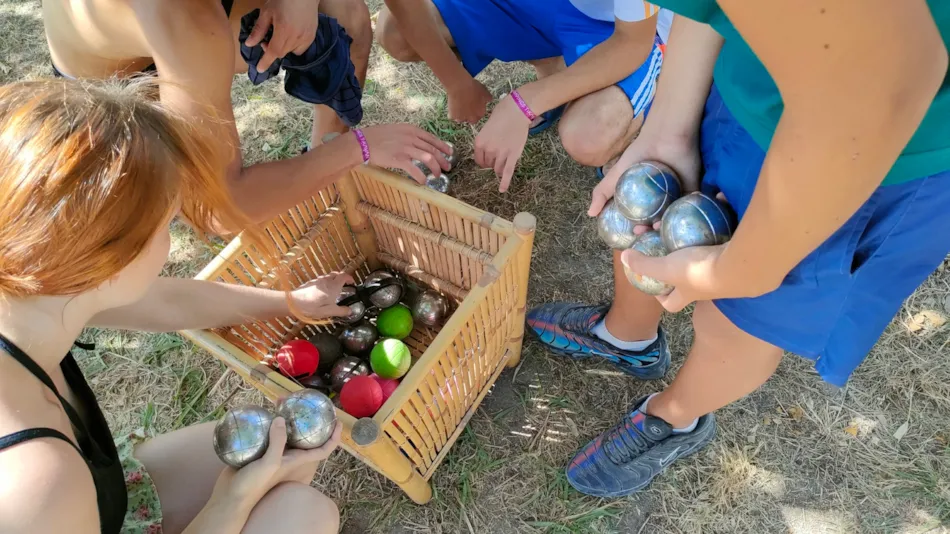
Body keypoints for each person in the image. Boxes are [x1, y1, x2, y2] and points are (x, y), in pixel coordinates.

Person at [527, 1, 950, 497]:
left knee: (735, 321)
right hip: (755, 83)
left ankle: (676, 418)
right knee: (652, 226)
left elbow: (886, 81)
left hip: (875, 157)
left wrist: (745, 270)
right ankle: (629, 338)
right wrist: (669, 126)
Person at [0, 79, 351, 533]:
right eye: (167, 224)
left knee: (270, 453)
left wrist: (293, 302)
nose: (173, 241)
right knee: (303, 514)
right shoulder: (34, 485)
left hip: (101, 500)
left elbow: (166, 300)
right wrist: (231, 502)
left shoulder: (34, 287)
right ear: (107, 262)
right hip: (69, 509)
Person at [42, 0, 452, 224]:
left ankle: (325, 185)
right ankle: (328, 167)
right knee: (168, 201)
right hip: (109, 85)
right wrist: (359, 148)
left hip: (194, 29)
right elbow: (220, 208)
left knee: (346, 13)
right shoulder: (188, 19)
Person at [377, 0, 674, 191]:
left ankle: (654, 85)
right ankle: (553, 65)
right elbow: (404, 7)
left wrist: (523, 102)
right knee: (394, 32)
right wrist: (456, 83)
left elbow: (631, 42)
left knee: (589, 137)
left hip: (619, 26)